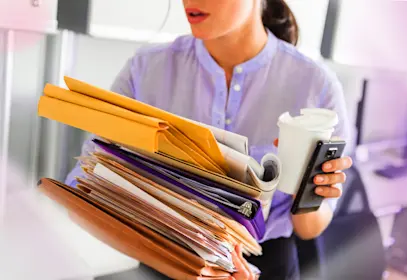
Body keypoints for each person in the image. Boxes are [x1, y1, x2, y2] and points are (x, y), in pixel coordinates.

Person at [65, 0, 353, 279]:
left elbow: (309, 228)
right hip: (164, 258)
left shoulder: (316, 86)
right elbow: (89, 180)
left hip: (267, 266)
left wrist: (306, 191)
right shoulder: (145, 70)